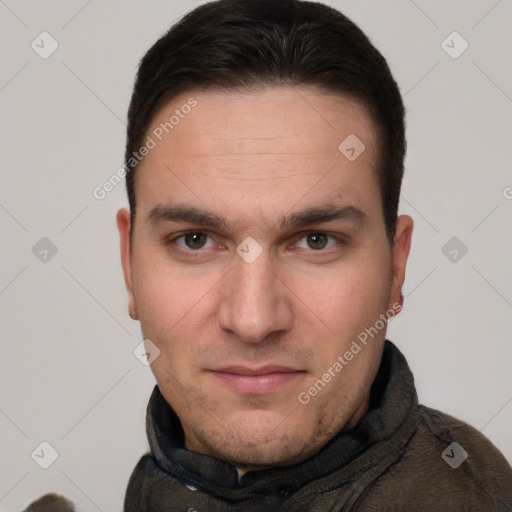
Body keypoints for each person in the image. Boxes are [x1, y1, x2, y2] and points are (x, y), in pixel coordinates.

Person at [116, 0, 512, 510]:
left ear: (396, 266)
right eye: (195, 240)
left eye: (316, 240)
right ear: (128, 266)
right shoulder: (158, 484)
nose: (254, 320)